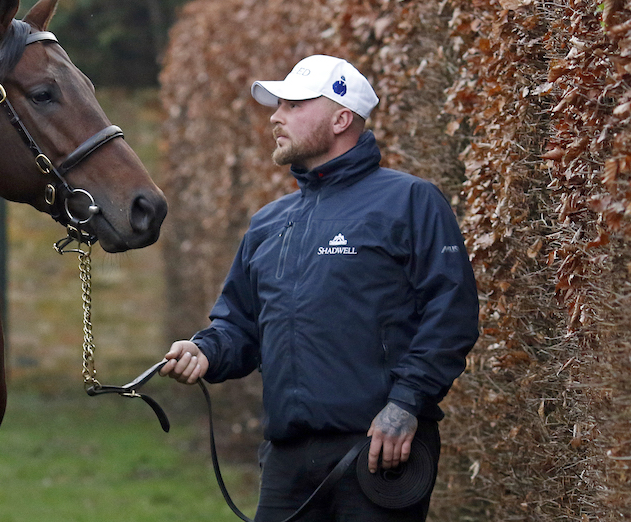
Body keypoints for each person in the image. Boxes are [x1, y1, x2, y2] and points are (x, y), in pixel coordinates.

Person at [160, 55, 479, 521]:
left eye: (293, 104)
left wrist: (406, 404)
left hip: (378, 451)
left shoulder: (411, 201)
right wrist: (205, 350)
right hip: (287, 460)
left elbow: (451, 312)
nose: (275, 116)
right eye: (277, 105)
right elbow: (239, 325)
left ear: (341, 118)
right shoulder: (269, 223)